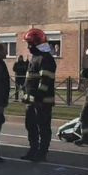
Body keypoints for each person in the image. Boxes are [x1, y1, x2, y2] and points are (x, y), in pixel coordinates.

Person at [21, 28, 56, 161]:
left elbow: (45, 81)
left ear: (37, 43)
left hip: (42, 102)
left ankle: (42, 153)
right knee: (31, 126)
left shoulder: (45, 58)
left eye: (30, 44)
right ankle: (33, 150)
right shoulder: (35, 57)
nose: (28, 47)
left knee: (43, 127)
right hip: (32, 101)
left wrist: (38, 98)